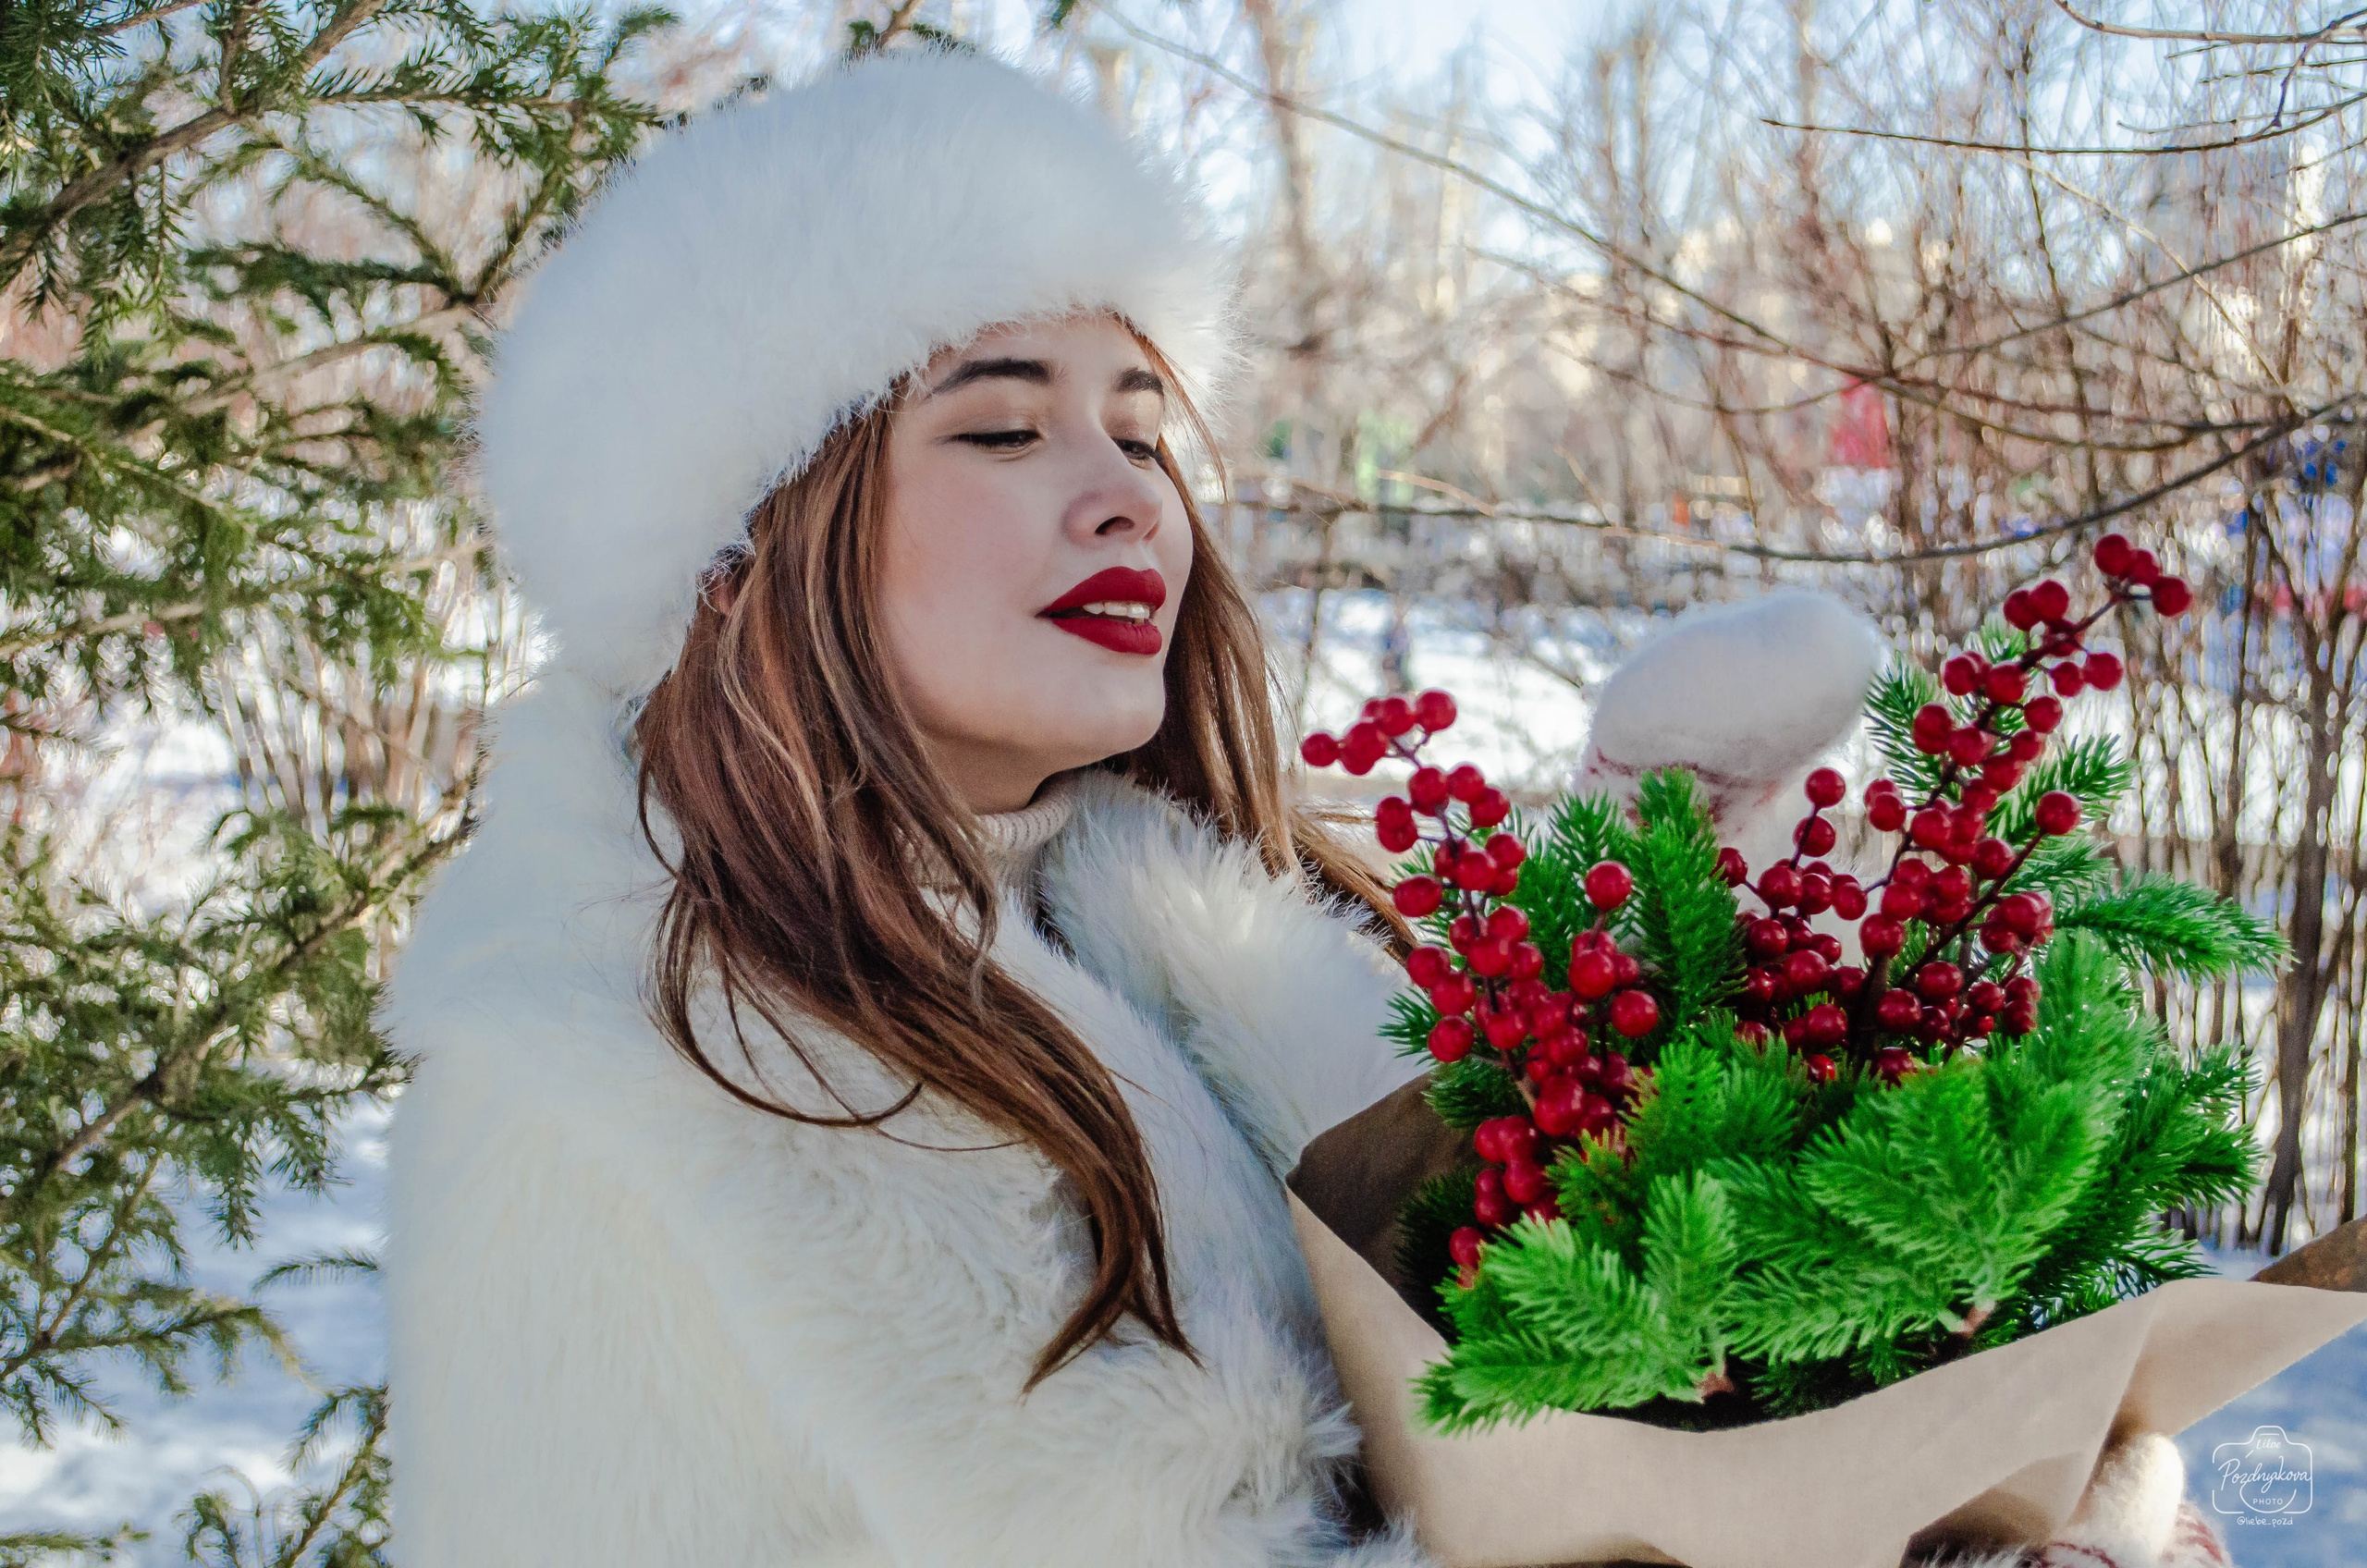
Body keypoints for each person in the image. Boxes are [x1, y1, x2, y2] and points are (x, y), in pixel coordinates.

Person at [380, 46, 2229, 1568]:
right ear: (744, 552)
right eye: (1003, 426)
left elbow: (1543, 1377)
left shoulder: (1179, 915)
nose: (1122, 495)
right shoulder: (635, 1070)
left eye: (1139, 424)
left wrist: (1699, 983)